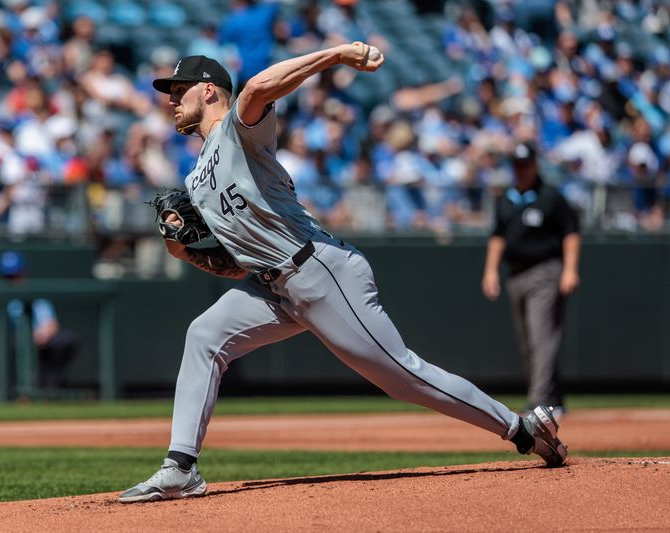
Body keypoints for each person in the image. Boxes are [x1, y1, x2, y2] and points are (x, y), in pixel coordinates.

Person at [119, 45, 568, 504]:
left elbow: (257, 87)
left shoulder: (239, 131)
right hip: (272, 285)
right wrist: (187, 251)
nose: (172, 99)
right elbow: (235, 262)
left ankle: (521, 427)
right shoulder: (195, 180)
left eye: (180, 89)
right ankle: (180, 468)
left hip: (318, 270)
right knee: (204, 336)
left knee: (402, 377)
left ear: (209, 90)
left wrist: (336, 55)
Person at [482, 142, 581, 416]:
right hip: (515, 274)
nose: (521, 170)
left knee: (542, 339)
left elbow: (571, 233)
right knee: (528, 343)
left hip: (545, 272)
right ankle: (554, 399)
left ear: (535, 165)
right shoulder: (506, 199)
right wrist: (490, 271)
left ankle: (539, 401)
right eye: (516, 165)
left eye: (525, 165)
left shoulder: (550, 197)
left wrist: (570, 269)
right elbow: (497, 237)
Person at [0, 251, 79, 391]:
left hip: (41, 343)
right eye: (8, 277)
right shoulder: (1, 300)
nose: (13, 280)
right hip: (15, 343)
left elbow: (52, 324)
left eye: (16, 275)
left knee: (66, 339)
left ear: (23, 273)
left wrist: (43, 333)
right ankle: (18, 389)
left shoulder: (36, 295)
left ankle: (50, 387)